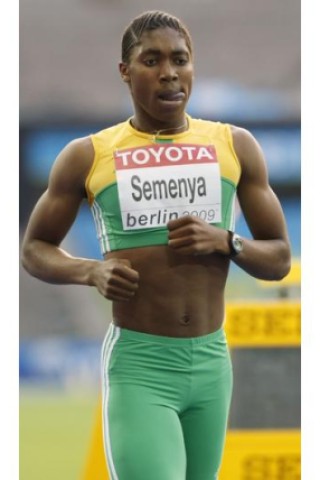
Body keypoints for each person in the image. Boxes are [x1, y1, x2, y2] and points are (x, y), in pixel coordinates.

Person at [21, 10, 291, 480]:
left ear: (193, 66)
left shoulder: (234, 146)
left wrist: (227, 241)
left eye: (180, 59)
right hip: (141, 364)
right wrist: (89, 271)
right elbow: (35, 248)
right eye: (152, 60)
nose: (169, 72)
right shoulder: (89, 155)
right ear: (125, 71)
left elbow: (280, 259)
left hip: (211, 362)